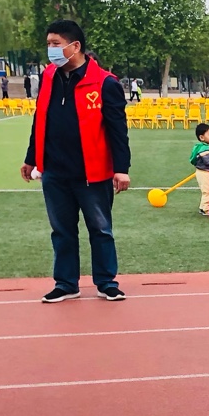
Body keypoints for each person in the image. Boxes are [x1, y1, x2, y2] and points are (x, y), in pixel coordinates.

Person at [20, 19, 131, 303]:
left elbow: (118, 130)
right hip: (54, 171)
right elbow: (40, 119)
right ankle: (66, 283)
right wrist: (31, 158)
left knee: (100, 230)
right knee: (62, 231)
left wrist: (121, 169)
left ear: (75, 46)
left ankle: (106, 282)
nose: (51, 49)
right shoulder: (48, 77)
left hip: (92, 173)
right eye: (48, 44)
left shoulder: (105, 83)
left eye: (56, 44)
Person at [190, 122, 209, 214]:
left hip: (202, 172)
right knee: (208, 191)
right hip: (205, 173)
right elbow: (208, 161)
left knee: (206, 190)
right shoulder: (204, 149)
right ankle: (206, 209)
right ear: (202, 137)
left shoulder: (203, 147)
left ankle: (202, 207)